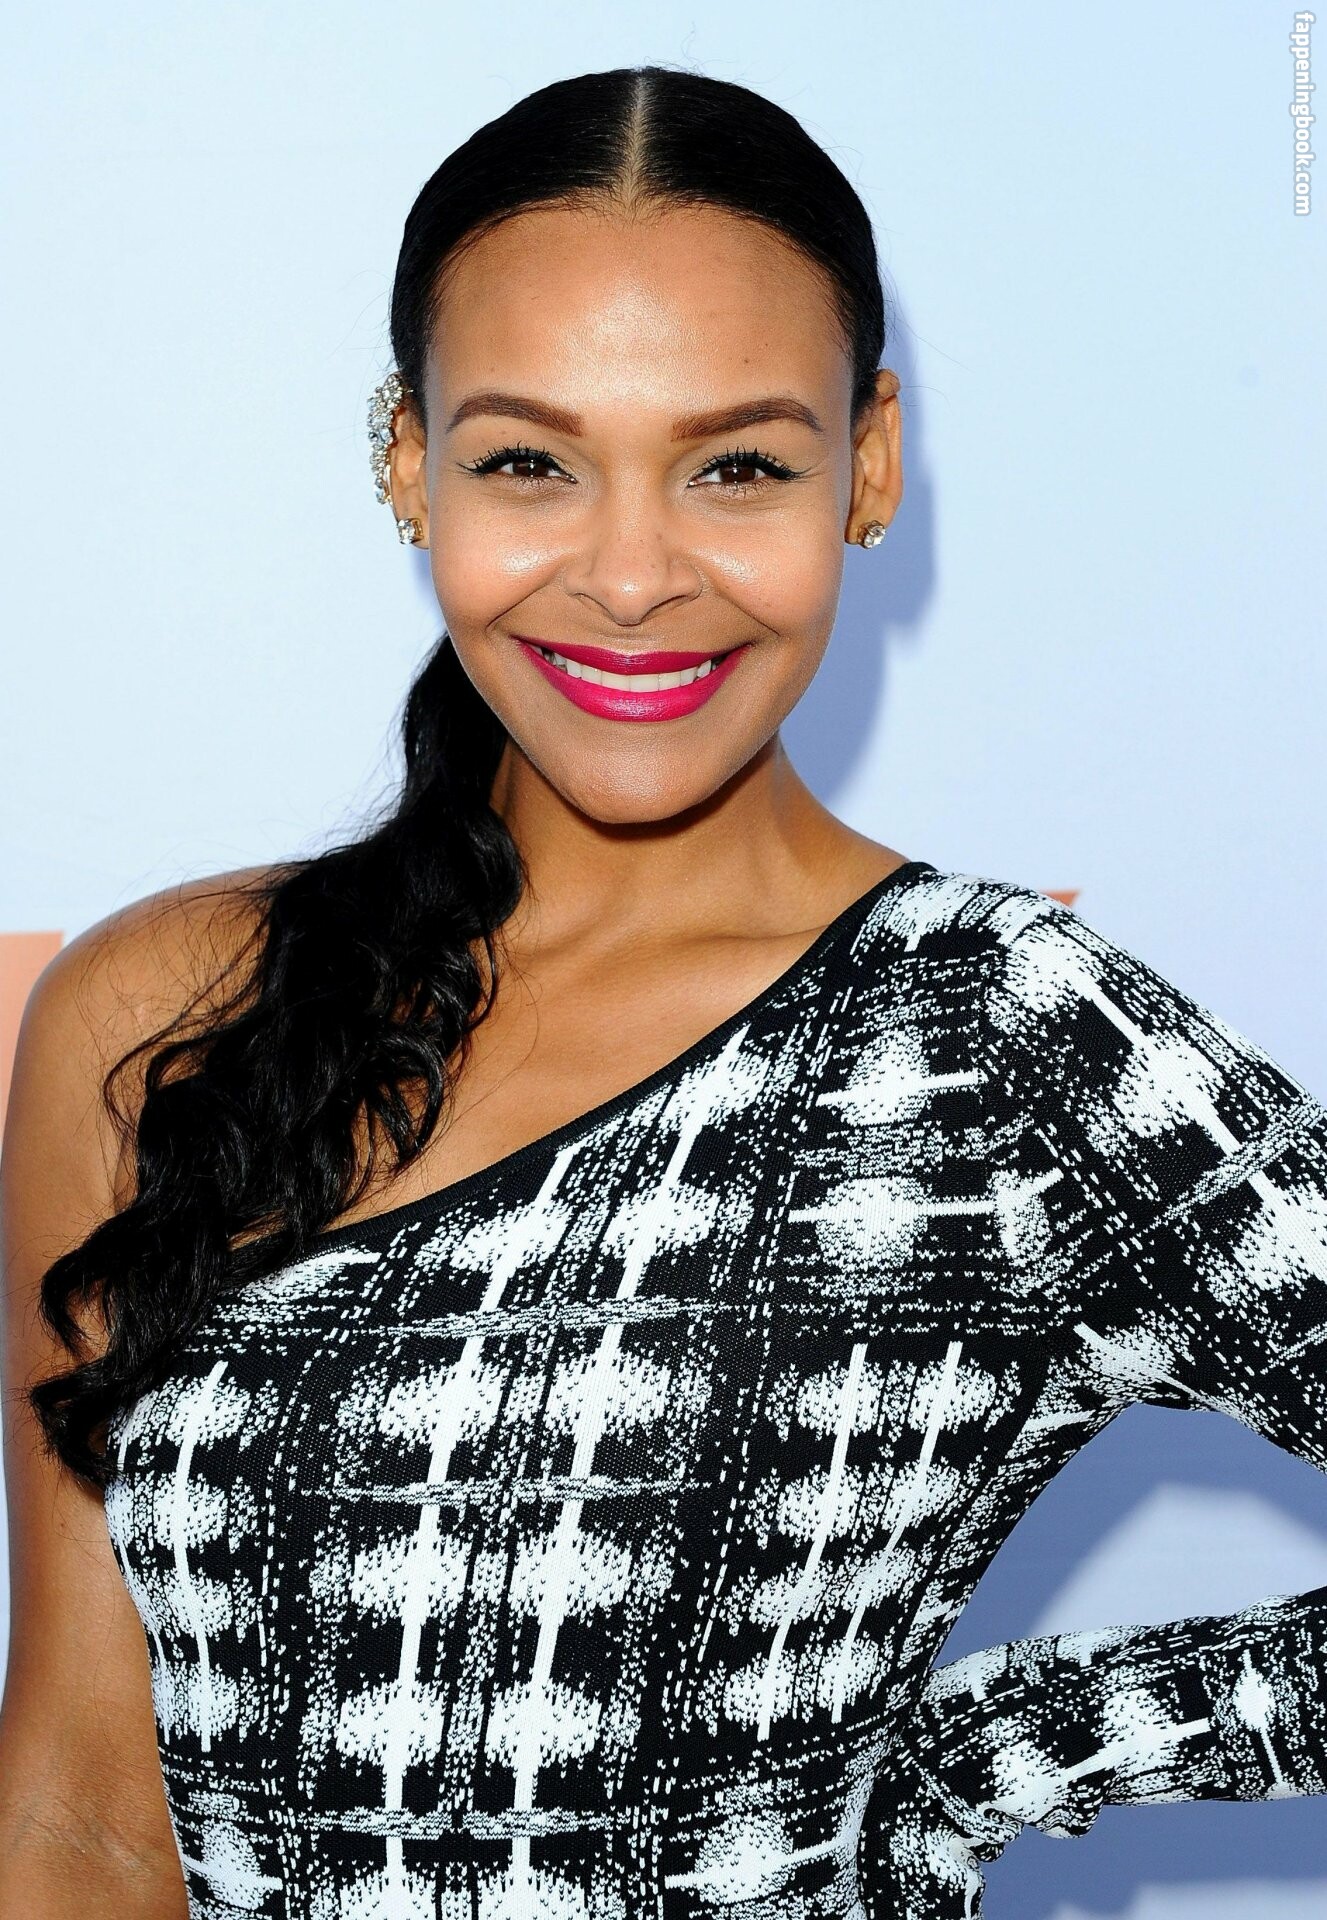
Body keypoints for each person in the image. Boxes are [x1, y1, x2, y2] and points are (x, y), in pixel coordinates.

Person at [0, 61, 1323, 1920]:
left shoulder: (1002, 1038)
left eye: (739, 467)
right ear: (410, 462)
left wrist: (1001, 1756)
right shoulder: (162, 1021)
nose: (631, 578)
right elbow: (80, 1805)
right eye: (528, 463)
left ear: (870, 465)